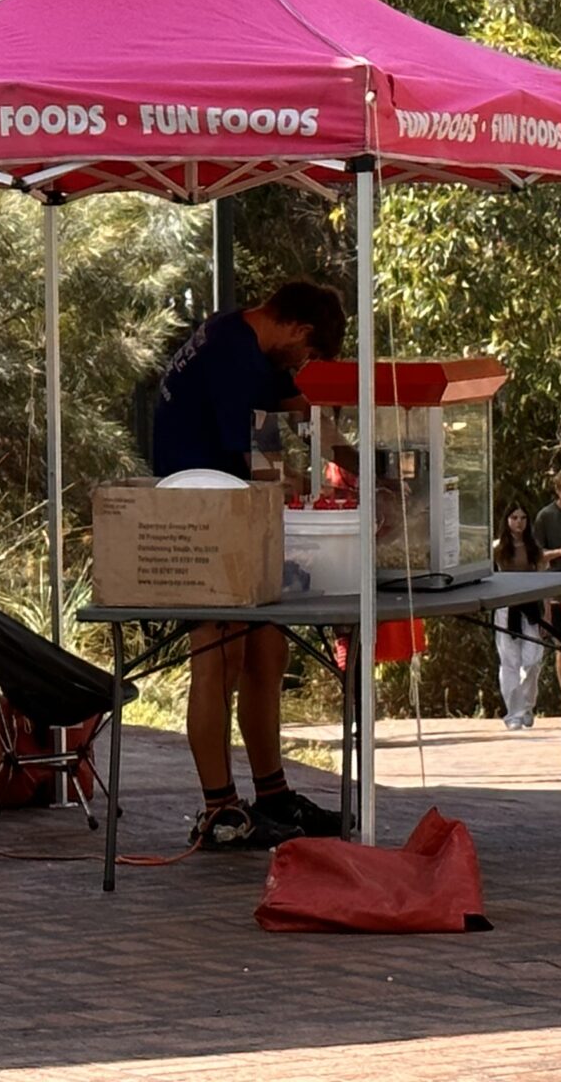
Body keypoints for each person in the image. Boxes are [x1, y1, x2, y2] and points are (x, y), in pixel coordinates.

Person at [148, 278, 348, 848]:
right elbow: (260, 454)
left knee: (268, 646)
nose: (303, 363)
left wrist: (360, 464)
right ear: (298, 330)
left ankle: (273, 792)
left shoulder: (253, 343)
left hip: (235, 510)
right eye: (309, 354)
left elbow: (304, 413)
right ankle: (220, 809)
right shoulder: (232, 354)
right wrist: (308, 490)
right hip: (199, 508)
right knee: (218, 653)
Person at [492, 504, 549, 729]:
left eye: (523, 518)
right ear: (507, 520)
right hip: (506, 609)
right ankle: (514, 713)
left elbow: (544, 585)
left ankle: (526, 705)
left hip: (532, 609)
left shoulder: (534, 549)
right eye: (514, 517)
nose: (519, 522)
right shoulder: (497, 549)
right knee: (509, 662)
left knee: (533, 660)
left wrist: (548, 617)